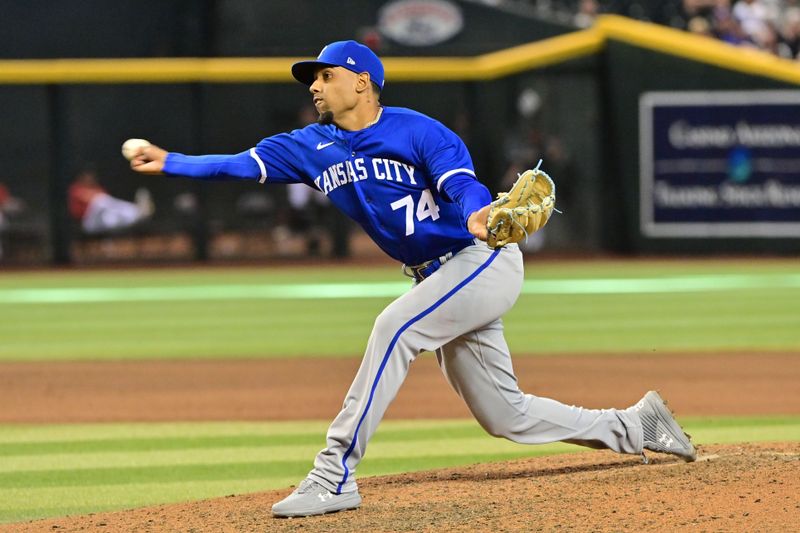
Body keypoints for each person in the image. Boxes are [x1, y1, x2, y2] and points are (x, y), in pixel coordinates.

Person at [128, 40, 697, 518]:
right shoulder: (308, 146)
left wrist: (477, 212)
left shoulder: (418, 131)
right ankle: (635, 426)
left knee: (395, 327)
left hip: (480, 259)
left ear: (363, 82)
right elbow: (237, 163)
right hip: (437, 275)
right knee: (505, 414)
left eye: (326, 76)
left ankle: (334, 475)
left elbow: (463, 185)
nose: (315, 87)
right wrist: (170, 160)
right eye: (314, 79)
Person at [68, 167, 154, 235]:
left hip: (100, 221)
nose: (90, 178)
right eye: (87, 176)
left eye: (91, 176)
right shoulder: (76, 188)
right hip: (87, 223)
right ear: (81, 177)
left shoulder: (97, 188)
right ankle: (136, 210)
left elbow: (110, 204)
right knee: (100, 200)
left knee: (111, 219)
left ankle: (137, 216)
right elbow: (90, 198)